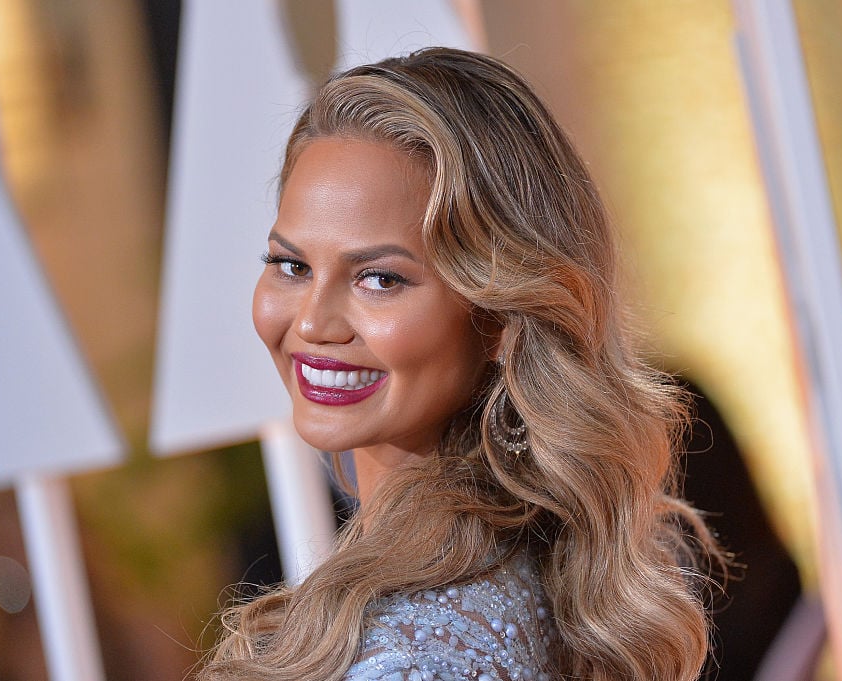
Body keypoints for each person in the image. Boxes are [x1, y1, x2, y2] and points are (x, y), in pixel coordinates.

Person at [199, 47, 714, 681]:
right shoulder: (542, 565)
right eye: (291, 266)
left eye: (380, 278)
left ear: (499, 315)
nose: (310, 323)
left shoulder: (411, 655)